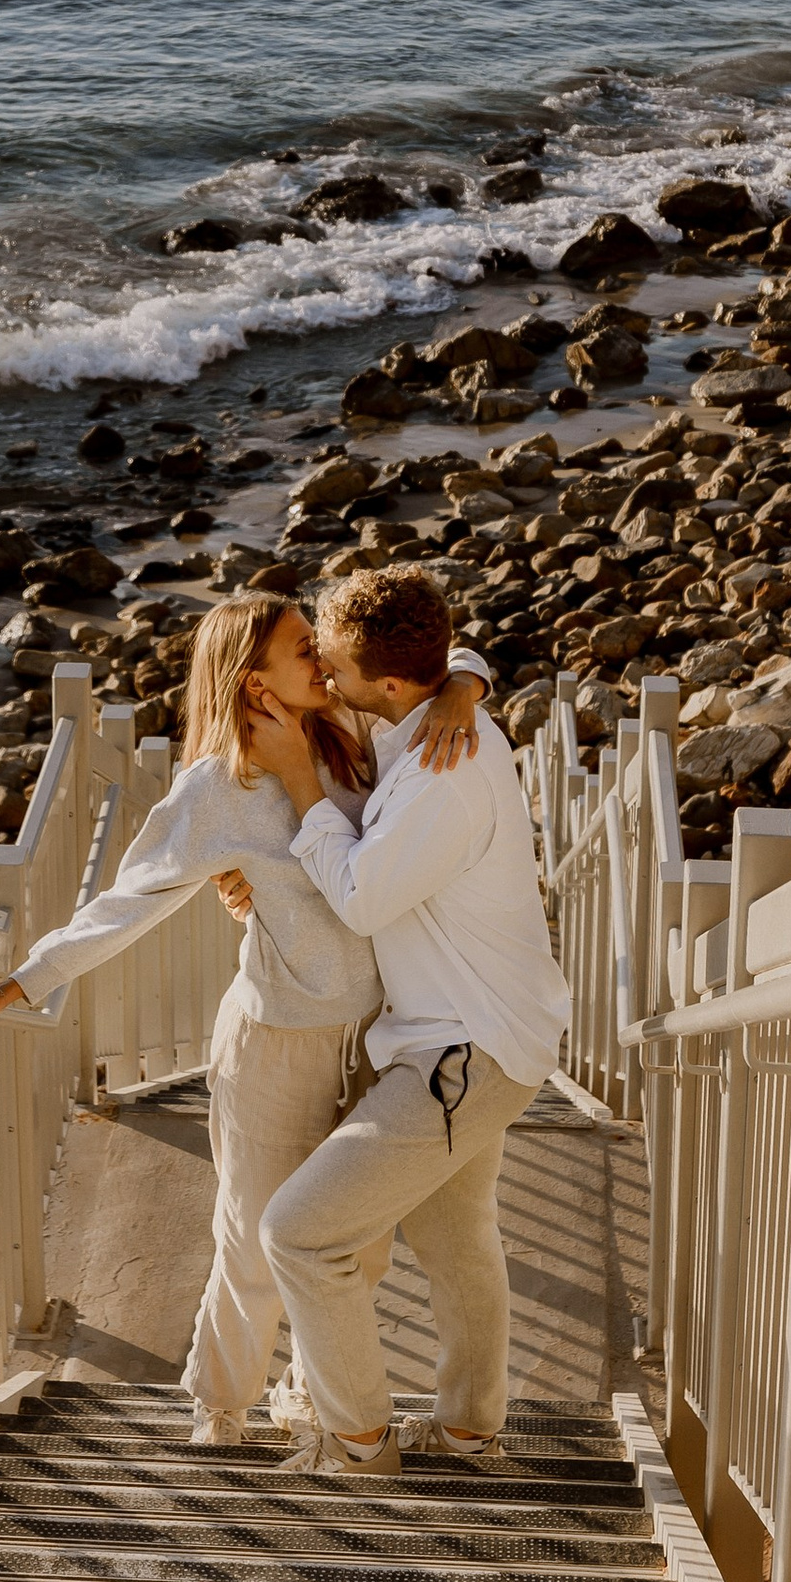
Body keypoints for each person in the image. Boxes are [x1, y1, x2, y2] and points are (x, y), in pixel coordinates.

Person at [0, 592, 485, 1444]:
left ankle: (309, 1396)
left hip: (381, 1039)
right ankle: (220, 1409)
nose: (325, 659)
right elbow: (125, 903)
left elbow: (438, 658)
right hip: (274, 1045)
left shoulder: (356, 731)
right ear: (252, 679)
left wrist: (460, 691)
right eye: (305, 648)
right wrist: (17, 987)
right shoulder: (216, 787)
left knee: (354, 1248)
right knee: (256, 1249)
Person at [248, 566, 568, 1477]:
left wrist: (298, 777)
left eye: (336, 665)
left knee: (300, 1235)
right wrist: (467, 679)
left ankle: (357, 1444)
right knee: (453, 1238)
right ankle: (468, 1430)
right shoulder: (440, 710)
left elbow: (358, 896)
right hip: (480, 1037)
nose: (326, 676)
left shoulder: (440, 776)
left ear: (389, 685)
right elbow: (455, 657)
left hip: (459, 1052)